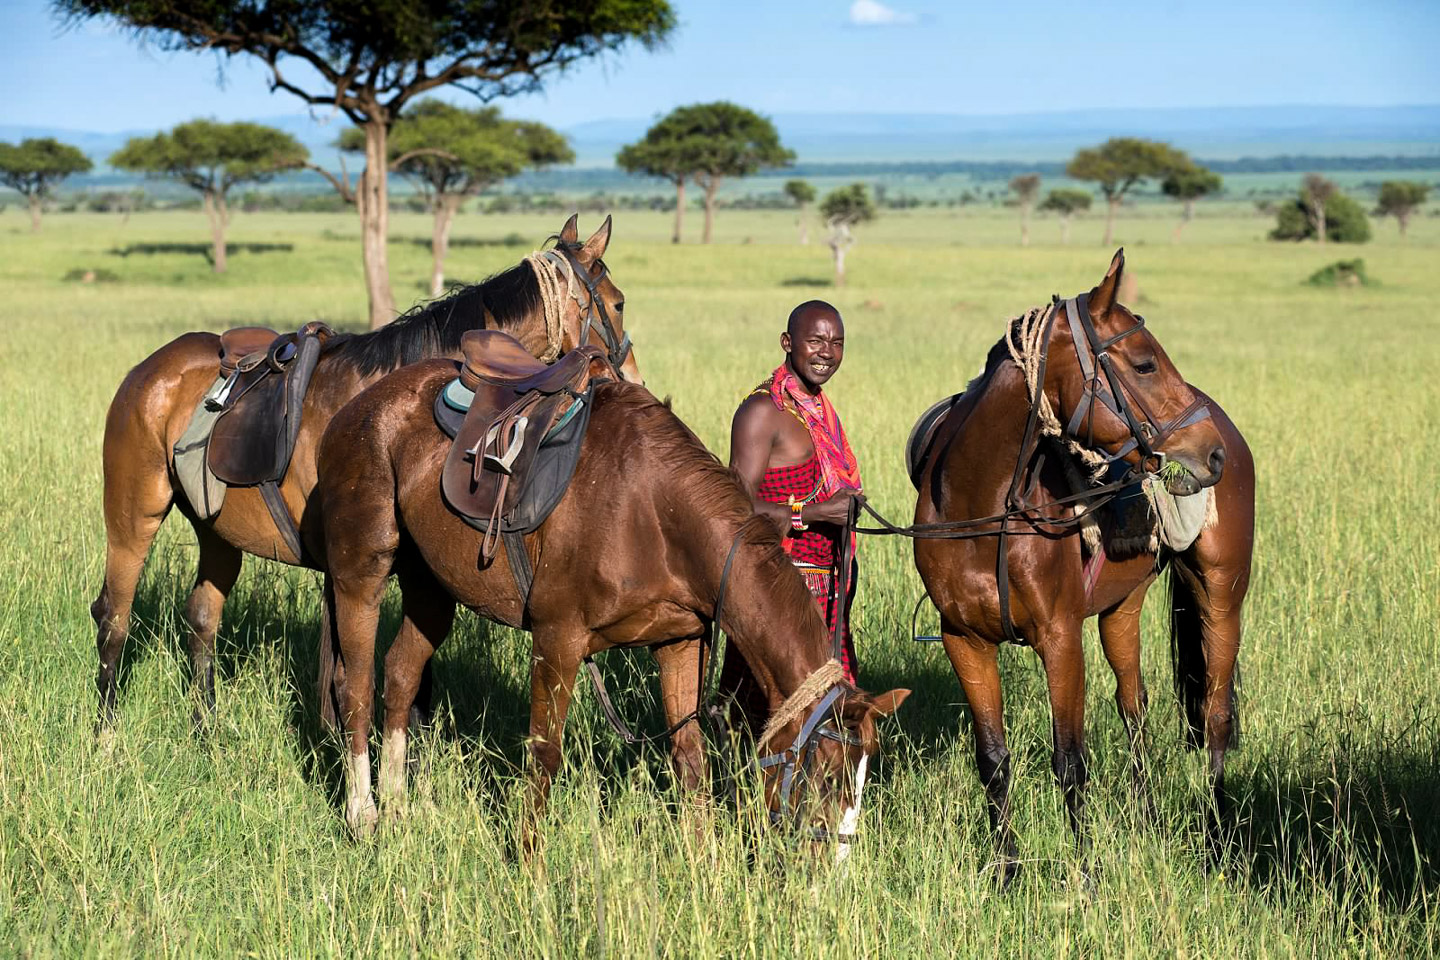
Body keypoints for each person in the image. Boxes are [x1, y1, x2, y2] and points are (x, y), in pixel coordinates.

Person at [726, 300, 863, 694]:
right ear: (787, 342)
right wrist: (814, 512)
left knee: (823, 709)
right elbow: (734, 506)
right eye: (816, 340)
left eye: (837, 343)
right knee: (778, 703)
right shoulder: (762, 411)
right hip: (777, 586)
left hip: (827, 583)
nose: (827, 353)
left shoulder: (816, 407)